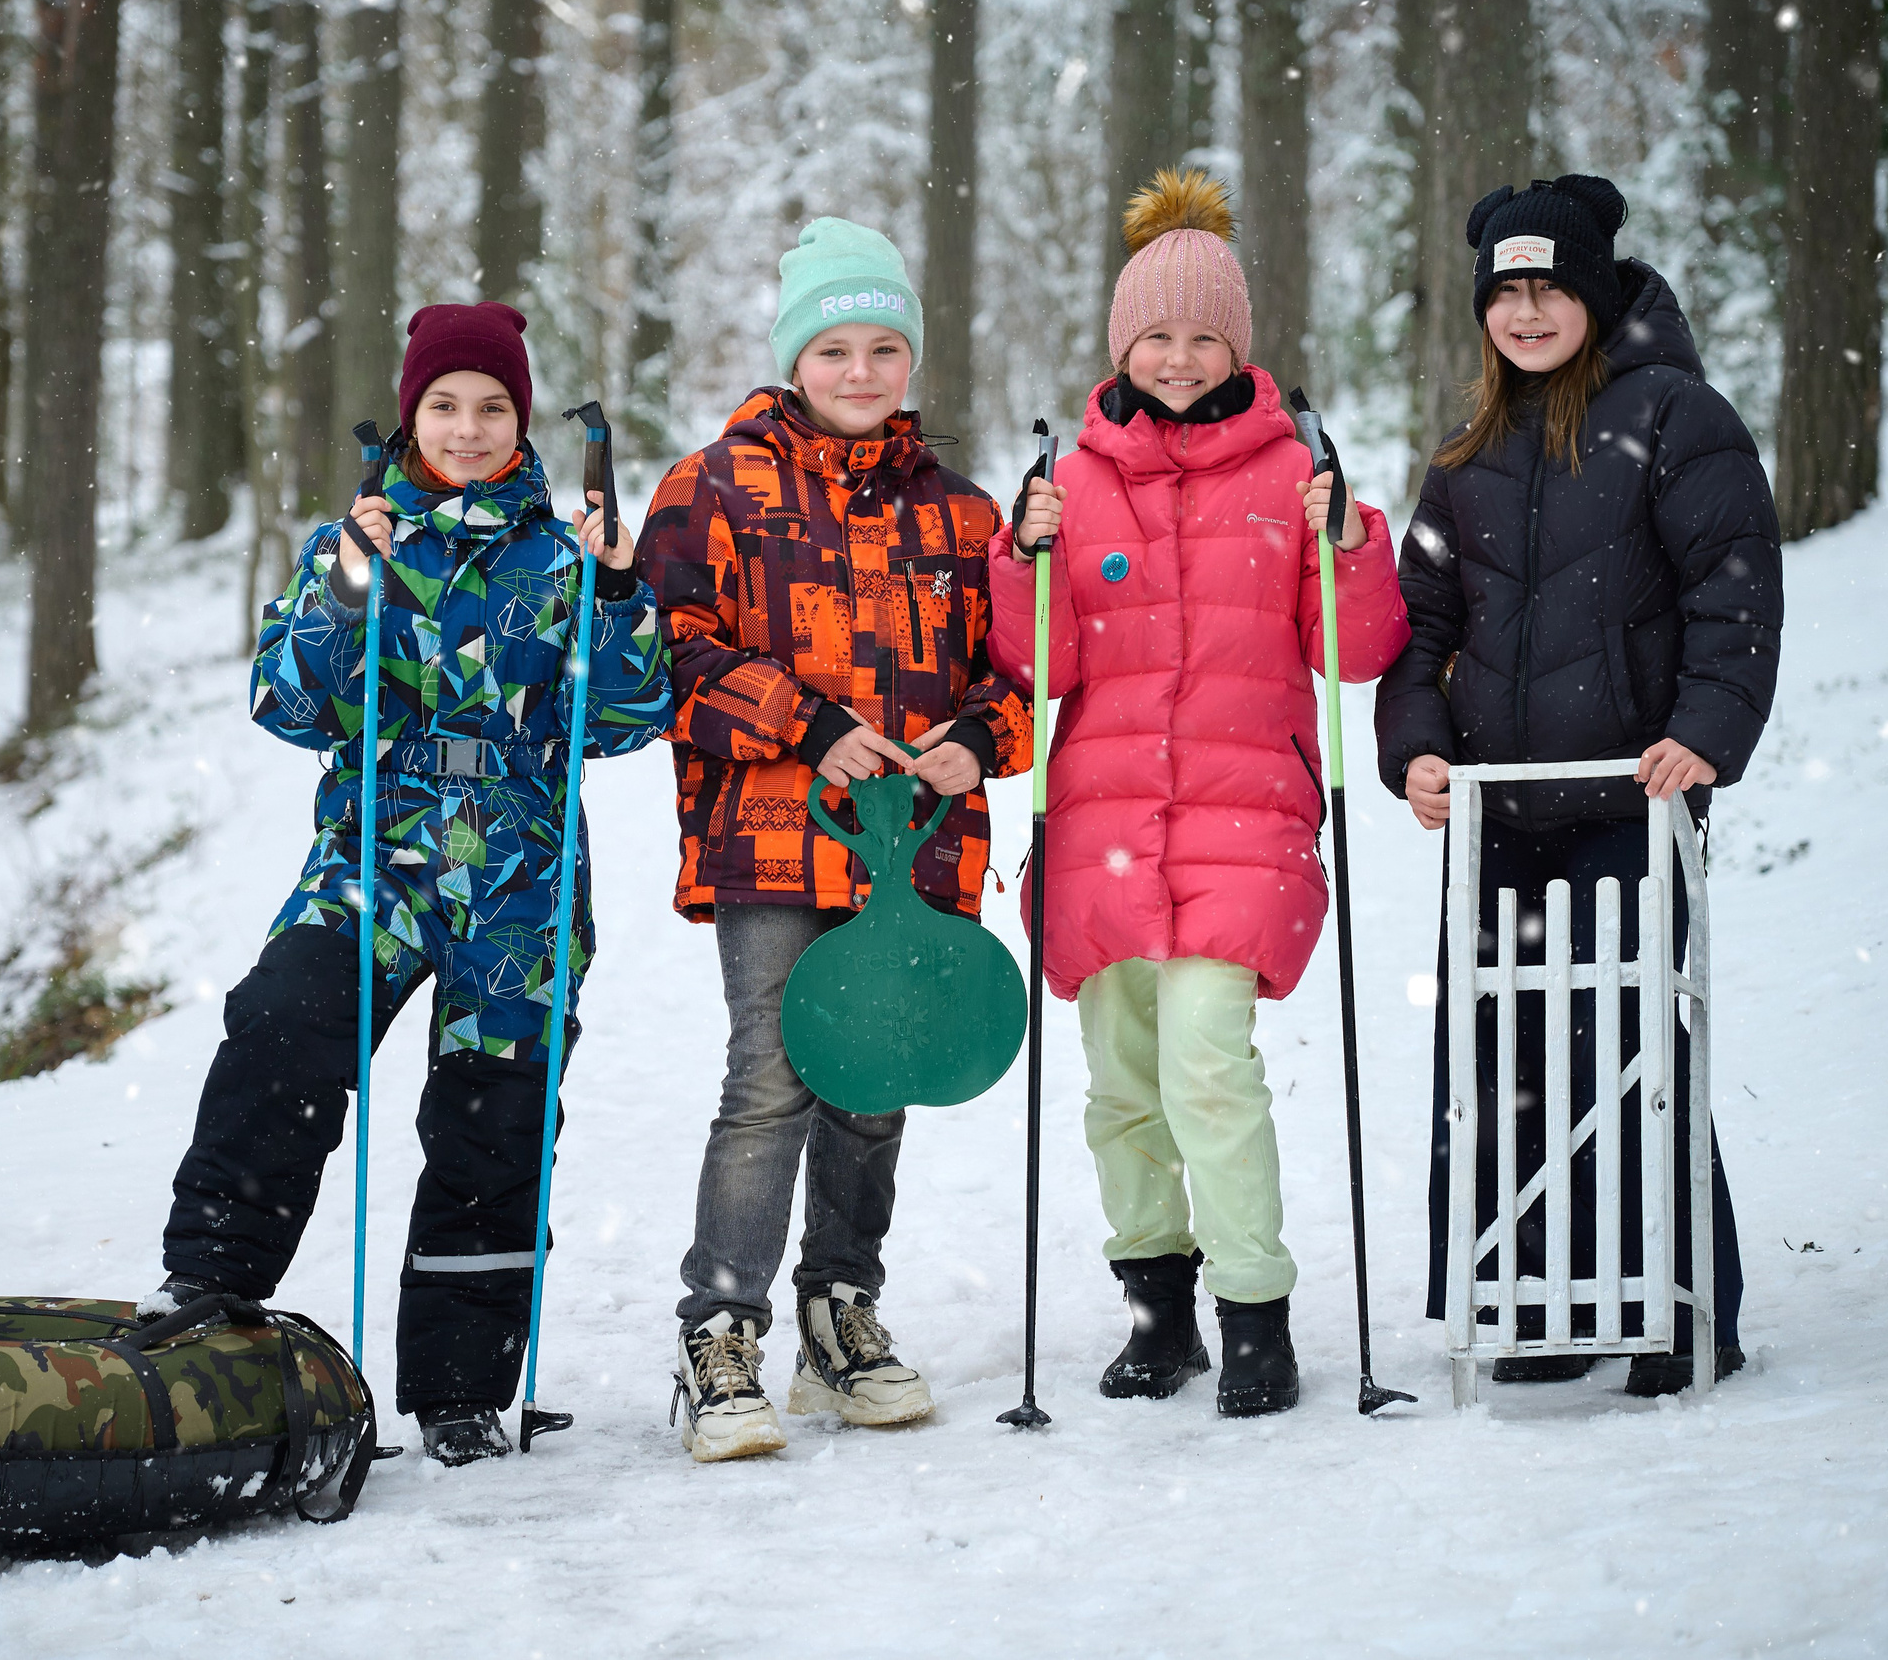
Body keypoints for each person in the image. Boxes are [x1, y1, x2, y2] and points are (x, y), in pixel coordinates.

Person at [149, 302, 673, 1465]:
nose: (471, 427)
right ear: (409, 413)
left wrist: (623, 594)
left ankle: (459, 1385)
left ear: (523, 418)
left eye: (493, 407)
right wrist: (345, 584)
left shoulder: (564, 549)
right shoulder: (361, 539)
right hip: (371, 858)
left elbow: (630, 720)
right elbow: (286, 704)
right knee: (282, 1021)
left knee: (495, 1121)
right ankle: (210, 1281)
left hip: (520, 879)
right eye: (446, 404)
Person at [993, 170, 1412, 1418]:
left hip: (1242, 823)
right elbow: (1042, 666)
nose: (1179, 359)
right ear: (1123, 344)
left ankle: (1253, 1311)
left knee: (1206, 1068)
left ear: (1240, 345)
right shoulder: (1076, 482)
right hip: (1102, 828)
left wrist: (1349, 542)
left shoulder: (1297, 476)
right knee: (1120, 1081)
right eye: (1157, 336)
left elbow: (1359, 649)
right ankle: (1154, 1309)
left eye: (1204, 336)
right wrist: (1022, 556)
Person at [1373, 174, 1782, 1395]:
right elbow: (1419, 621)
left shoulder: (1672, 419)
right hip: (1504, 815)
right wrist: (1420, 748)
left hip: (1630, 801)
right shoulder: (1465, 458)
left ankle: (1672, 1302)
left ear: (1595, 295)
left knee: (1630, 1048)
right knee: (1504, 1057)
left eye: (1550, 287)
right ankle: (1536, 1298)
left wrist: (1706, 728)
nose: (1528, 310)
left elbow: (1733, 583)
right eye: (1507, 290)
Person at [635, 218, 1033, 1462]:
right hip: (769, 830)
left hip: (911, 839)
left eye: (883, 348)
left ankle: (839, 1308)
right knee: (771, 1076)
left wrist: (984, 736)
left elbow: (1019, 670)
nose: (860, 372)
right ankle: (721, 1330)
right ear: (793, 354)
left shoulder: (966, 515)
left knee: (873, 1075)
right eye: (835, 347)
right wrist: (806, 724)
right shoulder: (710, 486)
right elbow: (669, 651)